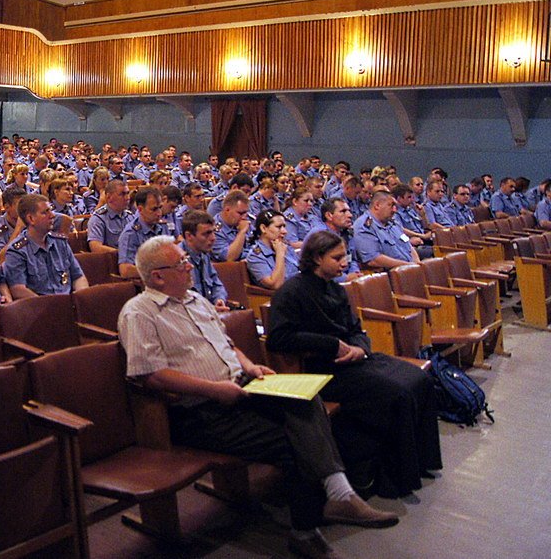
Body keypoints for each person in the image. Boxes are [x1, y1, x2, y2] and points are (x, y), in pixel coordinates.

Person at [119, 236, 399, 559]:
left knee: (306, 399)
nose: (189, 266)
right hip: (199, 410)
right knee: (294, 442)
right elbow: (149, 375)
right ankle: (306, 532)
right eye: (182, 263)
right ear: (157, 276)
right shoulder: (139, 313)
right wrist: (215, 389)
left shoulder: (195, 300)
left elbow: (224, 344)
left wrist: (251, 366)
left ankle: (340, 493)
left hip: (239, 388)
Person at [266, 230, 443, 499]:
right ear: (316, 258)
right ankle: (393, 476)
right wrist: (333, 345)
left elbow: (355, 328)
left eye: (344, 256)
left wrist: (361, 348)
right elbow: (279, 338)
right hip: (323, 369)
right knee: (397, 393)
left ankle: (420, 461)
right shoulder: (291, 293)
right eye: (336, 258)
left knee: (419, 378)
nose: (344, 262)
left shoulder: (336, 289)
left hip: (353, 361)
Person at [4, 193, 88, 298]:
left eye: (51, 210)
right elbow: (18, 289)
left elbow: (78, 277)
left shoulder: (60, 242)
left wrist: (80, 298)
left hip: (69, 305)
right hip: (40, 308)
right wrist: (49, 306)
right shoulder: (17, 251)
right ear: (31, 219)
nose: (52, 215)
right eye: (45, 212)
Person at [353, 191, 420, 270]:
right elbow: (374, 259)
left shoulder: (393, 223)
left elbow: (408, 246)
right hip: (390, 275)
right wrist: (409, 266)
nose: (395, 210)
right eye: (391, 205)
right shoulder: (364, 226)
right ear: (377, 205)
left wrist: (417, 264)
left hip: (409, 270)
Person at [180, 210, 229, 312]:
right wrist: (209, 309)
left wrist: (219, 299)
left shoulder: (203, 253)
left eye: (213, 232)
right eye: (206, 234)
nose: (213, 238)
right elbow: (180, 303)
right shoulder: (177, 261)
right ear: (189, 236)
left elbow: (216, 283)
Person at [117, 186, 169, 279]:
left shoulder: (162, 226)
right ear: (140, 209)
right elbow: (125, 270)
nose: (159, 213)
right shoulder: (131, 234)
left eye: (160, 208)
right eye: (154, 209)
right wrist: (157, 273)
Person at [307, 198, 362, 282]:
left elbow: (352, 259)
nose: (350, 215)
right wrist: (345, 278)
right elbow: (314, 270)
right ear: (329, 215)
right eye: (343, 211)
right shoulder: (318, 235)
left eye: (349, 211)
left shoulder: (346, 233)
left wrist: (355, 273)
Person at [246, 209, 301, 289]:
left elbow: (300, 269)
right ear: (263, 228)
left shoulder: (285, 246)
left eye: (284, 226)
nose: (284, 231)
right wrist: (280, 255)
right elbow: (275, 285)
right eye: (279, 227)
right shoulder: (255, 256)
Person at [86, 179, 133, 255]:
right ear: (108, 197)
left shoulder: (130, 216)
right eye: (122, 194)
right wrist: (123, 254)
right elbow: (96, 247)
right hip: (112, 262)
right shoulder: (98, 219)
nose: (127, 198)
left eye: (128, 193)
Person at [211, 190, 252, 262]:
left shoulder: (244, 221)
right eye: (240, 213)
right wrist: (242, 232)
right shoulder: (214, 230)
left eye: (246, 212)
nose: (244, 217)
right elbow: (229, 257)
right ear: (227, 210)